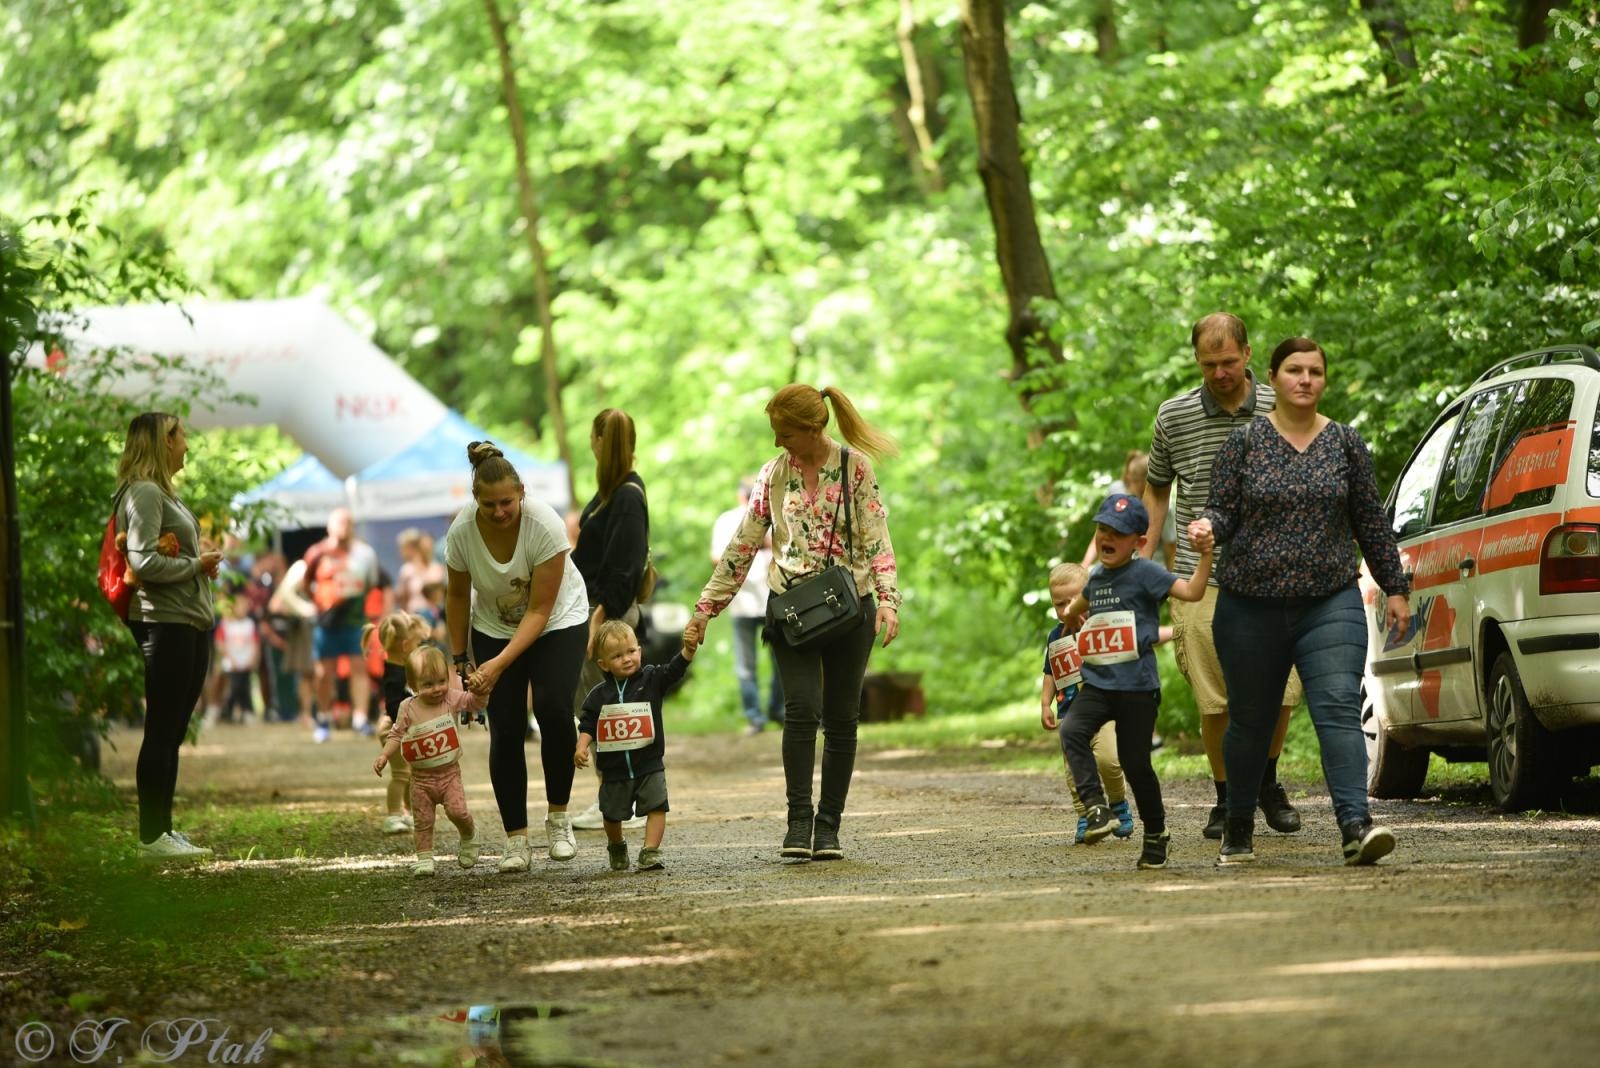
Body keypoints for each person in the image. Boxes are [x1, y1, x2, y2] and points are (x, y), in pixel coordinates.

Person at [1191, 336, 1410, 867]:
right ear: (1272, 378)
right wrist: (1207, 529)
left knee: (1336, 705)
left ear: (1323, 379)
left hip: (1328, 601)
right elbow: (1223, 510)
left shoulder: (1346, 443)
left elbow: (1370, 522)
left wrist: (1396, 588)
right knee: (1250, 719)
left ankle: (1356, 826)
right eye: (1294, 370)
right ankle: (1238, 825)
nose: (1305, 379)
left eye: (1315, 371)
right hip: (1249, 605)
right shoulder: (1243, 445)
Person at [683, 384, 901, 861]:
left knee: (842, 719)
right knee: (801, 710)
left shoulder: (854, 468)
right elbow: (742, 546)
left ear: (813, 427)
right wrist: (705, 610)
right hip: (793, 610)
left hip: (851, 608)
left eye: (785, 433)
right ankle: (798, 822)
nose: (778, 442)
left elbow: (877, 539)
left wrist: (887, 601)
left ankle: (829, 827)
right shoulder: (772, 475)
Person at [1144, 312, 1304, 840]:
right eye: (1209, 364)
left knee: (1280, 688)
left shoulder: (1283, 407)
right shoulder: (1175, 416)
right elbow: (1157, 490)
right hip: (1199, 576)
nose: (1220, 373)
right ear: (1197, 361)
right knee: (1217, 696)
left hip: (1277, 572)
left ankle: (1267, 783)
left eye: (1229, 362)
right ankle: (1223, 795)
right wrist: (1143, 566)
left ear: (1249, 355)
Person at [445, 441, 590, 872]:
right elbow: (455, 595)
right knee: (505, 726)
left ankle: (559, 818)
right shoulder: (461, 533)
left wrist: (499, 664)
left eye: (506, 501)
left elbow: (540, 610)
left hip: (558, 621)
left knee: (551, 706)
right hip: (492, 625)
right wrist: (460, 658)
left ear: (522, 492)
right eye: (488, 504)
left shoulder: (544, 525)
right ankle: (515, 841)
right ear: (475, 500)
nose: (499, 511)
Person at [1060, 493, 1213, 870]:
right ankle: (1097, 809)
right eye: (1102, 529)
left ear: (1139, 542)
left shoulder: (1147, 572)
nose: (1106, 537)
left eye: (1118, 532)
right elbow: (1076, 606)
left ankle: (1156, 832)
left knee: (1135, 764)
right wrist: (1068, 620)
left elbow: (1192, 592)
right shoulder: (1096, 578)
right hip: (1098, 686)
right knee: (1072, 731)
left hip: (1136, 688)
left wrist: (1206, 555)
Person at [113, 411, 224, 859]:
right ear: (161, 443)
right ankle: (149, 836)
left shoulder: (160, 492)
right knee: (161, 727)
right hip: (165, 621)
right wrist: (196, 565)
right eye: (180, 436)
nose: (187, 443)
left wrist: (198, 567)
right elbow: (141, 564)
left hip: (188, 620)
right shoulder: (142, 492)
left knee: (173, 728)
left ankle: (163, 831)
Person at [568, 409, 652, 831]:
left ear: (600, 440)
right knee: (603, 709)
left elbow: (625, 567)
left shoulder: (626, 497)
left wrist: (595, 621)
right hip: (596, 613)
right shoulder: (611, 495)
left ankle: (625, 800)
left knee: (611, 712)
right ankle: (613, 795)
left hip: (607, 619)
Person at [574, 619, 693, 871]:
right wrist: (581, 746)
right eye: (617, 656)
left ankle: (651, 850)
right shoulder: (598, 695)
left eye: (631, 651)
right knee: (611, 813)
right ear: (603, 664)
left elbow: (674, 671)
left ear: (639, 650)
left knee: (657, 805)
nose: (627, 659)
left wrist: (687, 652)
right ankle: (616, 844)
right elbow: (588, 724)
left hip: (649, 763)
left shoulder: (651, 679)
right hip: (614, 769)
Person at [374, 646, 489, 876]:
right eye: (428, 684)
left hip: (449, 775)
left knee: (458, 812)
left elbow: (475, 704)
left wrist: (480, 690)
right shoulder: (408, 708)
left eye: (441, 681)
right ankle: (425, 858)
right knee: (423, 820)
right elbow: (396, 734)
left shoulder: (451, 699)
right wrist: (385, 755)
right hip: (421, 779)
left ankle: (469, 834)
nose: (437, 689)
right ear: (413, 685)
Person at [1039, 563, 1133, 843]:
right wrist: (1045, 703)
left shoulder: (1103, 628)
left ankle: (1117, 804)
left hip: (1105, 712)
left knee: (1110, 761)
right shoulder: (1056, 636)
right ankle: (1087, 814)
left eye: (1074, 600)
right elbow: (1050, 672)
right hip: (1070, 716)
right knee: (1073, 773)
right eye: (1059, 604)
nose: (1067, 608)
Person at [293, 507, 381, 734]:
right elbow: (306, 583)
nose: (345, 526)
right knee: (324, 672)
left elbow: (371, 583)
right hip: (326, 623)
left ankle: (360, 719)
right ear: (329, 526)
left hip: (355, 621)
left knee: (359, 668)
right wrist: (321, 602)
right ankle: (323, 717)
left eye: (349, 522)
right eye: (340, 522)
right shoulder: (317, 552)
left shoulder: (365, 553)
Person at [712, 478, 785, 736]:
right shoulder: (727, 521)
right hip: (744, 602)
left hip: (771, 600)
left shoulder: (775, 517)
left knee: (777, 661)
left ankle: (775, 712)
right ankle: (758, 716)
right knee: (748, 665)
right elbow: (716, 558)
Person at [363, 611, 434, 834]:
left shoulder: (403, 670)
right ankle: (393, 815)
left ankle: (409, 813)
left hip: (402, 729)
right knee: (401, 774)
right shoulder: (394, 675)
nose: (420, 648)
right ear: (405, 646)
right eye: (417, 643)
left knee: (411, 774)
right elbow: (394, 707)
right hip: (392, 730)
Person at [1082, 451, 1175, 570]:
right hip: (1115, 563)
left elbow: (1170, 546)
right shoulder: (1118, 493)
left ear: (1147, 482)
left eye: (1135, 481)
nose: (1130, 485)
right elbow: (1102, 530)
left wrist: (1169, 578)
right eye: (1129, 480)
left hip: (1152, 565)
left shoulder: (1162, 506)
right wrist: (1085, 564)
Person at [215, 595, 259, 723]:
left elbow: (255, 643)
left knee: (245, 687)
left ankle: (245, 710)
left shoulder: (250, 624)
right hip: (231, 664)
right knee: (234, 687)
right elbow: (220, 643)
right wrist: (230, 658)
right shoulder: (226, 624)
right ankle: (228, 710)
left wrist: (252, 659)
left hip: (245, 662)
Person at [396, 528, 447, 615]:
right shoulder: (407, 570)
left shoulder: (438, 569)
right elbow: (402, 599)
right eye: (424, 547)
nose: (428, 550)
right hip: (414, 618)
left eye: (431, 546)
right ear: (418, 548)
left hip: (436, 618)